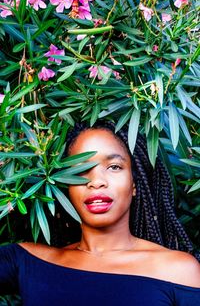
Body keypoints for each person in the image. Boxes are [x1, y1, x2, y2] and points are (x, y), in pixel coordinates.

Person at [0, 120, 200, 306]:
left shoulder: (178, 270)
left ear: (134, 184)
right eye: (81, 170)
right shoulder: (27, 262)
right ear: (64, 184)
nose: (96, 182)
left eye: (114, 167)